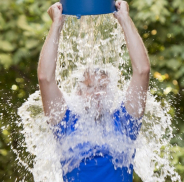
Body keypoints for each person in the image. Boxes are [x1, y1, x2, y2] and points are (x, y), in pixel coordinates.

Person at [37, 1, 150, 181]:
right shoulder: (64, 123)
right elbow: (45, 78)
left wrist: (125, 19)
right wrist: (57, 24)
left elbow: (142, 71)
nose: (97, 92)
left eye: (103, 87)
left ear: (112, 91)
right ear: (78, 94)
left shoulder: (125, 122)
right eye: (89, 87)